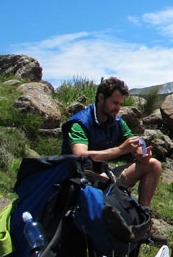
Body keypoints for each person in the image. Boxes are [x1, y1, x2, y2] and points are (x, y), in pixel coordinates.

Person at [60, 77, 161, 208]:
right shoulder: (80, 123)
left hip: (104, 174)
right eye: (115, 103)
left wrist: (142, 154)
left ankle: (144, 213)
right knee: (103, 178)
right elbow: (80, 155)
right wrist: (120, 150)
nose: (118, 108)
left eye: (120, 104)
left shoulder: (117, 122)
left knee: (153, 165)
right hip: (77, 179)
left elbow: (135, 143)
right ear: (101, 97)